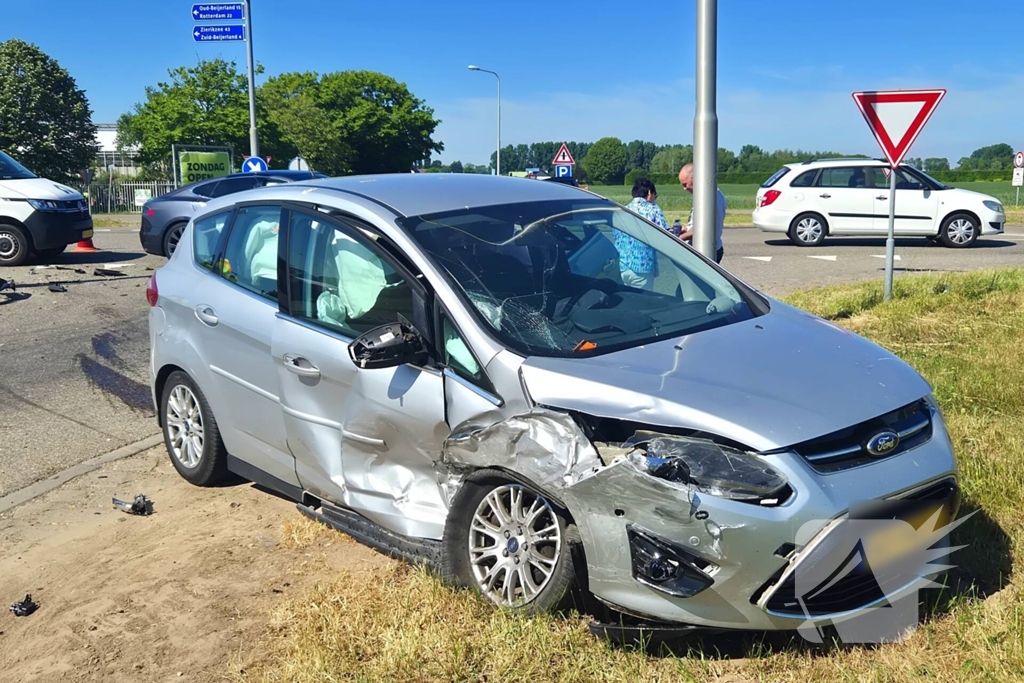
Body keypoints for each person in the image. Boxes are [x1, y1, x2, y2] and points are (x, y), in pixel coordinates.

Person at [615, 177, 670, 290]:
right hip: (642, 266)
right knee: (643, 299)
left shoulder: (623, 210)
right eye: (655, 196)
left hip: (622, 266)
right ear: (649, 193)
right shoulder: (653, 209)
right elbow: (665, 234)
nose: (655, 199)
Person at [677, 163, 726, 263]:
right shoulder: (717, 193)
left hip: (704, 252)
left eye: (685, 184)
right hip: (714, 248)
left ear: (695, 178)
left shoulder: (707, 198)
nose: (684, 188)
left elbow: (700, 229)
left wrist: (678, 238)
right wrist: (686, 229)